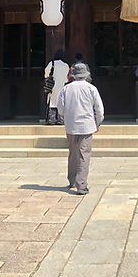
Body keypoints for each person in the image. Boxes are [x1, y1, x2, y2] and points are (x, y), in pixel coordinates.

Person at [56, 63, 104, 195]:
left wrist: (66, 118)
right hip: (87, 125)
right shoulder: (91, 88)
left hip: (71, 126)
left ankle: (72, 180)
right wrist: (97, 124)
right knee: (84, 154)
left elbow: (60, 108)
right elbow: (99, 110)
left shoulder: (66, 89)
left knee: (72, 153)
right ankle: (81, 185)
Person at [44, 50, 70, 125]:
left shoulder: (52, 63)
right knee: (61, 102)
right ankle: (60, 120)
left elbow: (46, 73)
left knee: (52, 102)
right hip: (63, 86)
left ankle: (51, 119)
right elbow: (67, 77)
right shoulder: (66, 65)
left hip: (53, 86)